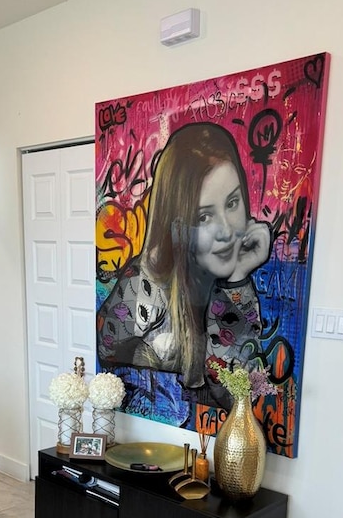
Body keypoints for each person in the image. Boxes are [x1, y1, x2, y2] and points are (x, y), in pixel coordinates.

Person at [96, 122, 271, 408]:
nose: (227, 231)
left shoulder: (236, 283)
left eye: (232, 202)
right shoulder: (146, 282)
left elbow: (239, 397)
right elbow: (107, 358)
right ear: (176, 226)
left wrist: (236, 281)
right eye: (203, 217)